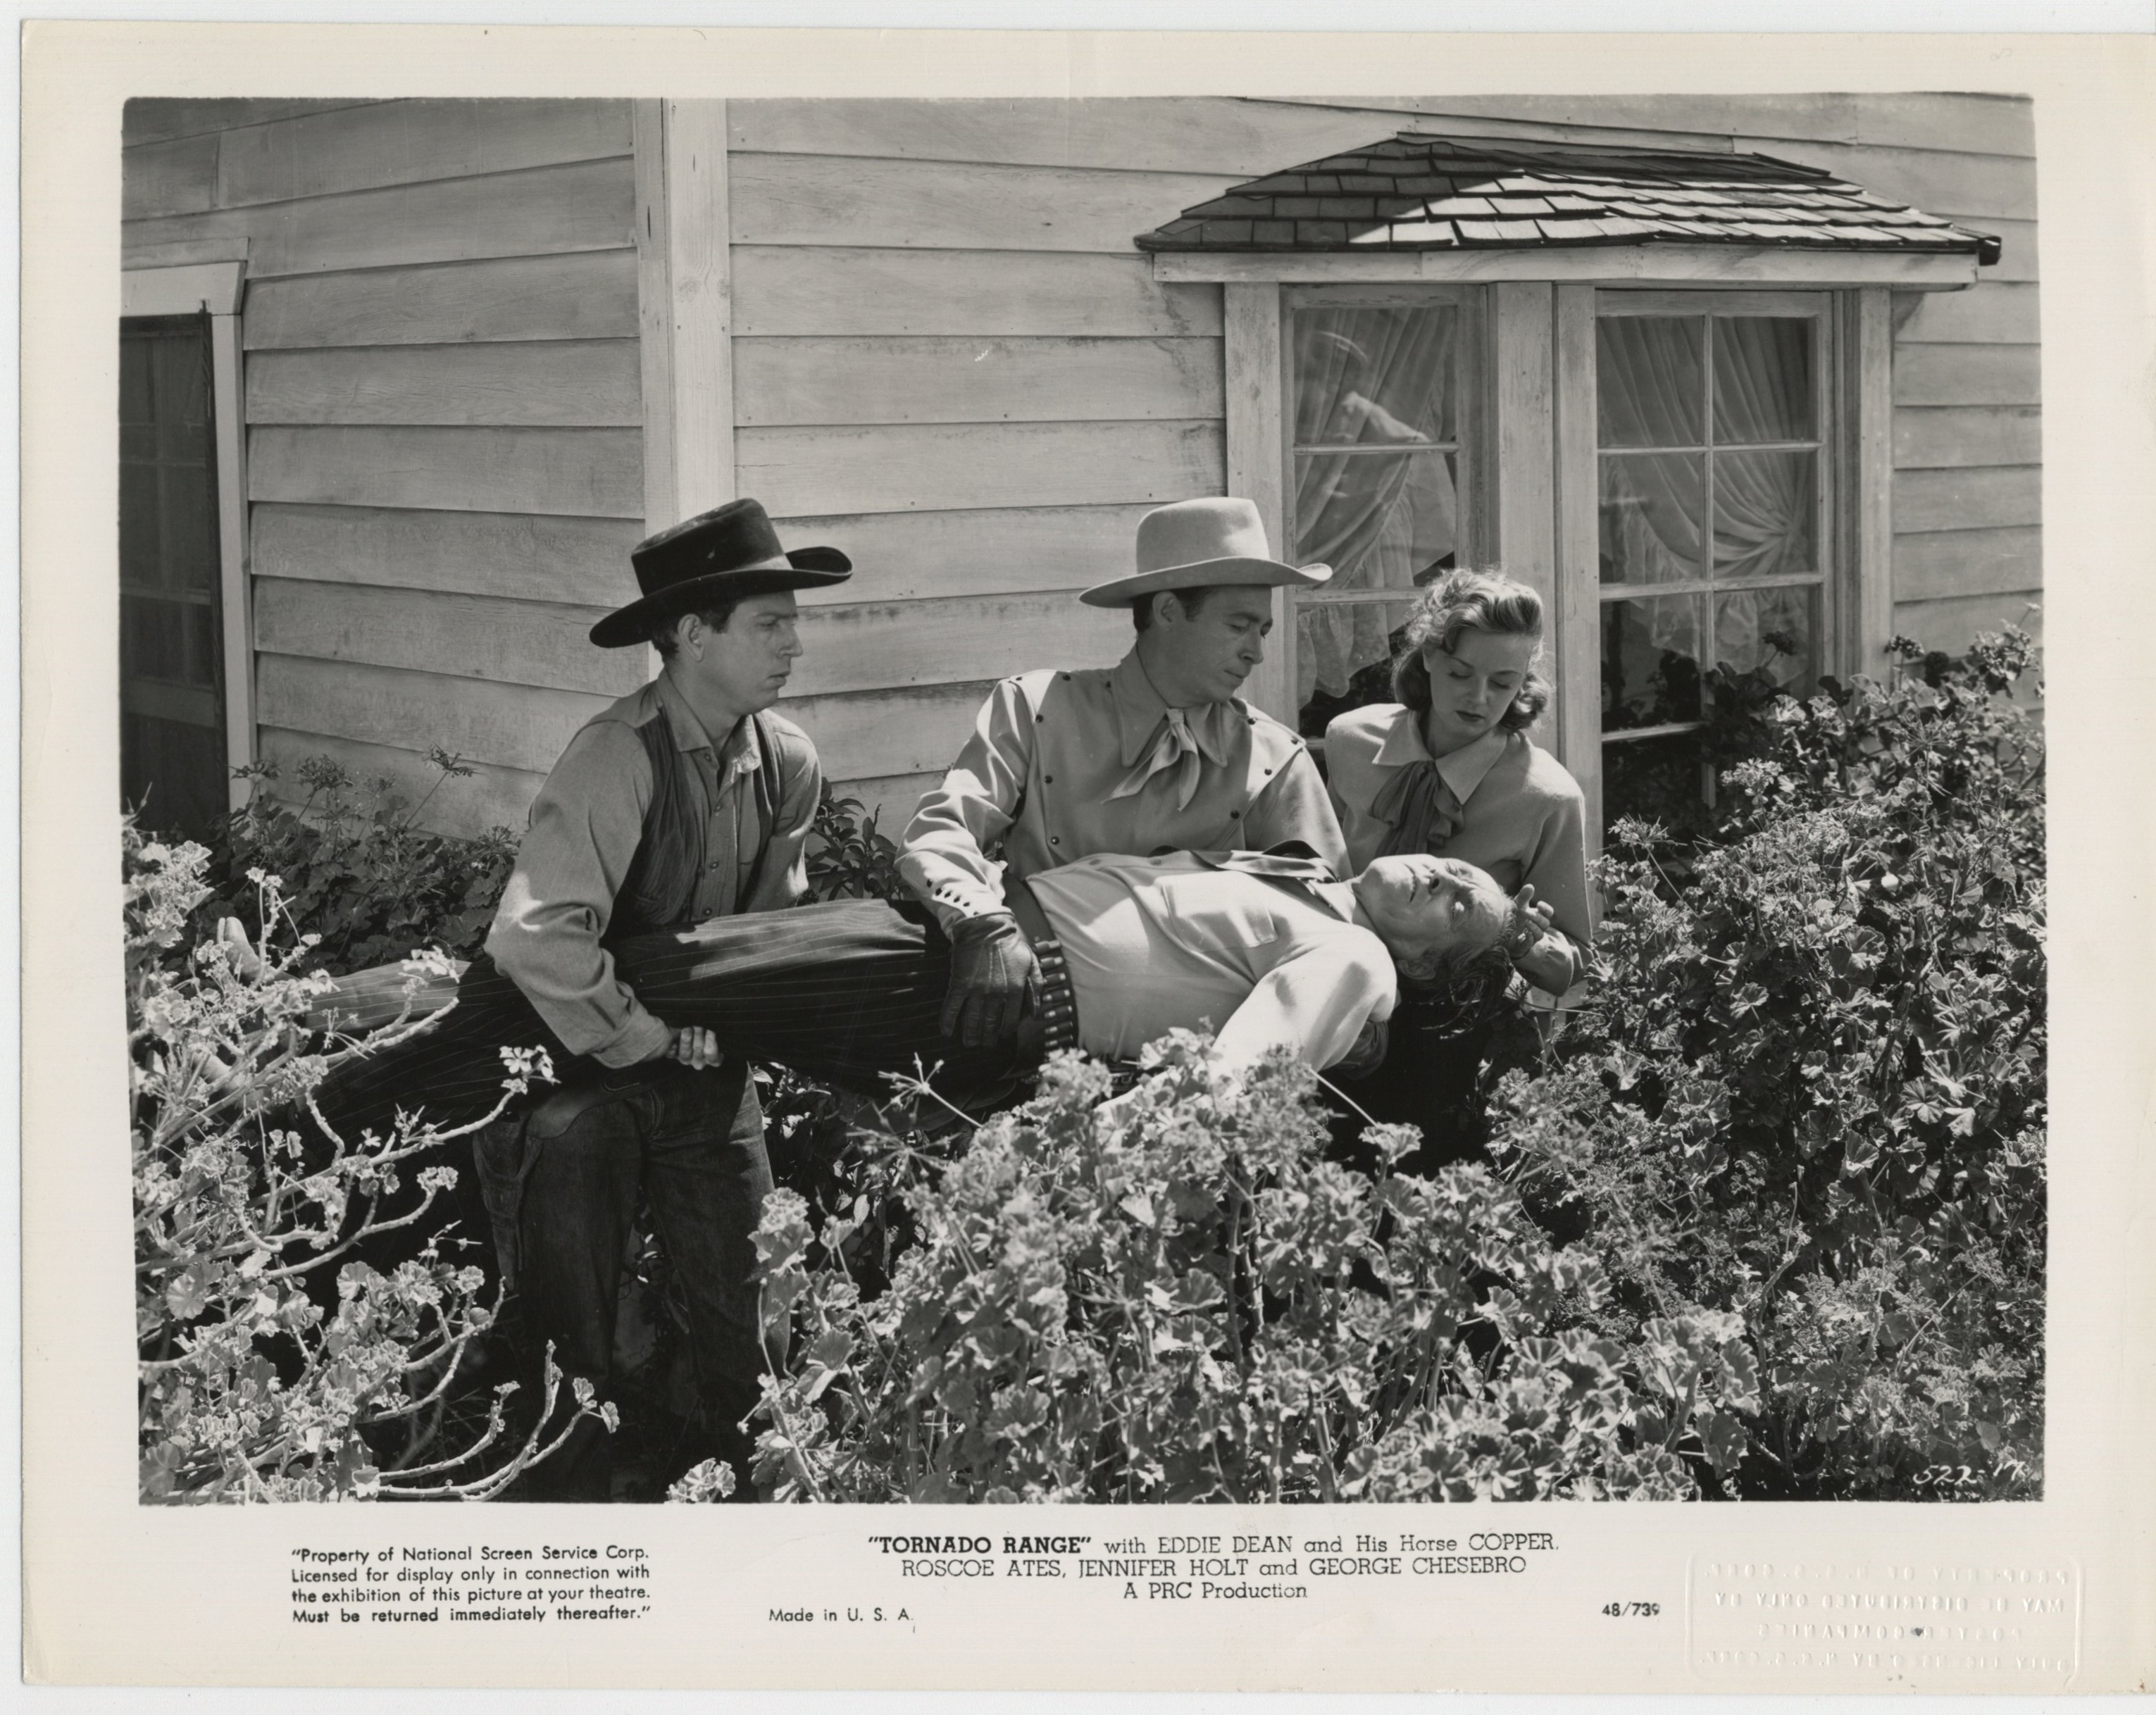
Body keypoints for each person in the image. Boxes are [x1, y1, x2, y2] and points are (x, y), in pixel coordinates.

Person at [469, 496, 848, 1500]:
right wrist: (642, 1036)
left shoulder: (787, 762)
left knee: (758, 1308)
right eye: (770, 624)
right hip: (583, 1065)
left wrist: (731, 1031)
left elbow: (763, 939)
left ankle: (754, 1476)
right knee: (572, 1285)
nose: (793, 646)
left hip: (701, 1066)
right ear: (690, 635)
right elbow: (533, 932)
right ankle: (566, 1475)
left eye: (793, 622)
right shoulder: (617, 753)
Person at [311, 847, 1545, 1154]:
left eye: (1458, 907)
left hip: (970, 996)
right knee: (644, 964)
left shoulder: (1357, 962)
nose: (1444, 880)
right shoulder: (1306, 874)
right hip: (953, 946)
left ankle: (315, 1091)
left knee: (641, 974)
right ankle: (324, 1018)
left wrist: (1091, 1153)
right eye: (1457, 871)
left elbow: (1234, 1072)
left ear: (1425, 966)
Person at [901, 496, 1351, 1051]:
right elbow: (939, 831)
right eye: (1240, 625)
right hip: (1036, 1033)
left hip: (1206, 1062)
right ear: (1165, 611)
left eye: (1263, 629)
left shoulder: (1274, 759)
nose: (1257, 652)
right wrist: (980, 923)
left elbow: (1330, 925)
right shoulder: (1038, 709)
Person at [1320, 568, 1593, 1163]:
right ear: (1426, 657)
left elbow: (1571, 969)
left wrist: (1517, 936)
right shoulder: (1348, 741)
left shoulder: (1546, 796)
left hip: (1446, 1042)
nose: (1478, 699)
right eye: (1459, 674)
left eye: (1503, 682)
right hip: (1333, 1005)